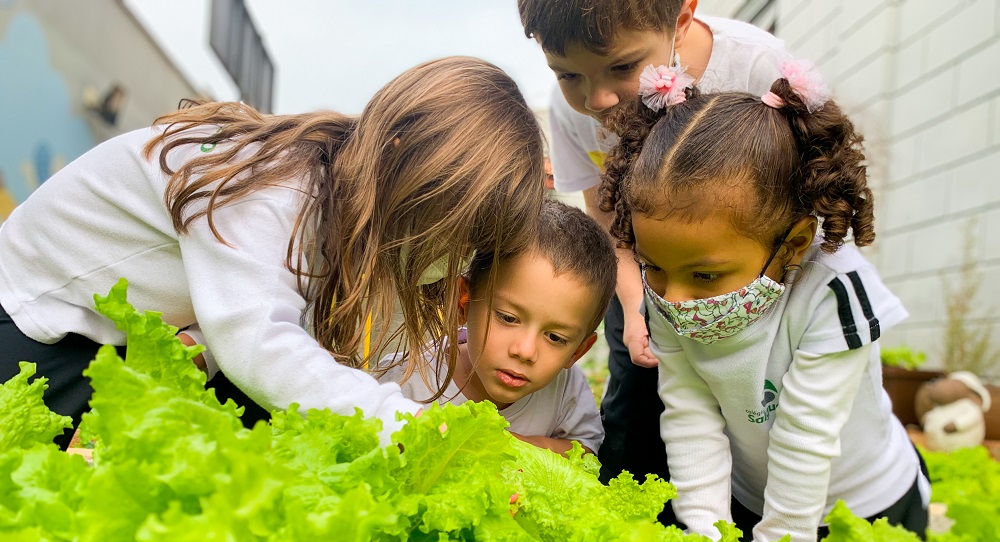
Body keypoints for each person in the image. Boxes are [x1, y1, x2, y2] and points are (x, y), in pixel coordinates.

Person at [0, 57, 544, 449]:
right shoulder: (277, 186)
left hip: (128, 344)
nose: (449, 258)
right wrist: (417, 429)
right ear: (399, 160)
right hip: (36, 323)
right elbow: (260, 344)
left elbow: (355, 371)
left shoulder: (362, 209)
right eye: (444, 229)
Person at [599, 59, 929, 542]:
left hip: (868, 509)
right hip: (757, 498)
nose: (676, 299)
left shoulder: (831, 288)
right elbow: (689, 416)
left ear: (794, 245)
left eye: (705, 276)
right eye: (653, 266)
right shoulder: (664, 290)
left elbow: (806, 435)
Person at [518, 0, 795, 493]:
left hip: (748, 282)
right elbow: (606, 218)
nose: (597, 98)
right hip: (642, 273)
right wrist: (635, 304)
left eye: (622, 67)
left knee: (753, 411)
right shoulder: (571, 110)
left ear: (682, 18)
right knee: (635, 412)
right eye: (568, 75)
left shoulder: (756, 65)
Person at [379, 200, 616, 457]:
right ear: (464, 304)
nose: (525, 351)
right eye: (508, 318)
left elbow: (585, 448)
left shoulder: (565, 389)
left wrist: (511, 446)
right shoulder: (406, 382)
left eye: (555, 337)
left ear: (577, 352)